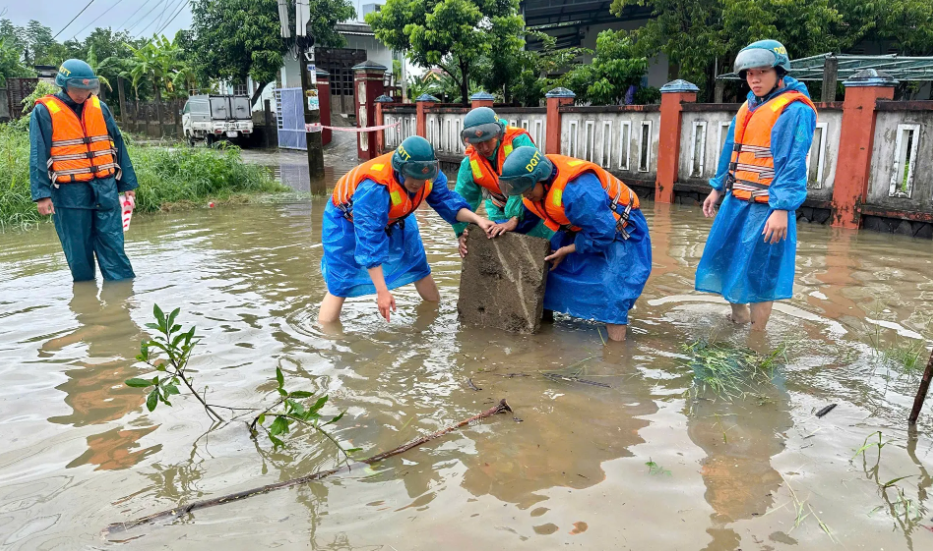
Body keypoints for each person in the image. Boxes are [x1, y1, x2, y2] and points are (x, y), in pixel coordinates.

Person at [695, 40, 817, 331]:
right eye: (750, 74)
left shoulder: (794, 110)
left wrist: (782, 209)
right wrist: (717, 189)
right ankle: (738, 319)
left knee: (761, 273)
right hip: (736, 201)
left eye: (762, 72)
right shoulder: (749, 105)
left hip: (768, 207)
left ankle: (757, 337)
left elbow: (793, 161)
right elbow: (730, 149)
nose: (755, 79)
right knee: (724, 259)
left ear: (779, 72)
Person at [319, 136, 497, 323]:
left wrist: (478, 219)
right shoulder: (375, 188)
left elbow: (448, 203)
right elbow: (369, 240)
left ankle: (434, 313)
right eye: (412, 177)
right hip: (346, 221)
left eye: (422, 178)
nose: (417, 184)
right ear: (400, 169)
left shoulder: (430, 175)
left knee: (418, 264)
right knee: (341, 281)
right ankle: (328, 340)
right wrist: (382, 292)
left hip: (397, 218)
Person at [498, 147, 652, 341]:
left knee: (612, 289)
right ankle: (544, 341)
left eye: (527, 190)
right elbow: (527, 220)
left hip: (619, 231)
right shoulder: (535, 191)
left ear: (541, 179)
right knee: (548, 276)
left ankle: (616, 354)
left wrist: (568, 249)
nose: (525, 195)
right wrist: (505, 225)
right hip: (579, 229)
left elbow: (604, 232)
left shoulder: (578, 191)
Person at [30, 59, 138, 282]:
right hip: (70, 194)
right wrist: (42, 194)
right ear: (64, 84)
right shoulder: (44, 111)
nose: (82, 94)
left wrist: (127, 184)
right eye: (77, 89)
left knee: (114, 249)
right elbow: (38, 154)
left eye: (86, 89)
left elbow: (117, 144)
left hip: (106, 189)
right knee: (79, 256)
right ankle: (86, 304)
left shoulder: (100, 107)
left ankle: (122, 301)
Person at [452, 107, 552, 257]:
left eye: (488, 140)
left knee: (540, 253)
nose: (484, 148)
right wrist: (461, 233)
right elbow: (461, 201)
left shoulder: (518, 142)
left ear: (498, 134)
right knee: (503, 254)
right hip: (499, 210)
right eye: (478, 143)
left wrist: (514, 218)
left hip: (530, 205)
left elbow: (526, 180)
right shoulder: (470, 163)